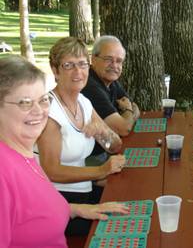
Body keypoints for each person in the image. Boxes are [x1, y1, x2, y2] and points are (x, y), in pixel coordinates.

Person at [0, 56, 128, 247]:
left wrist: (76, 209)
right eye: (25, 102)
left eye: (43, 100)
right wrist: (101, 171)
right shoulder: (4, 170)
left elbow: (33, 209)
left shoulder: (24, 156)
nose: (39, 111)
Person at [36, 37, 126, 236]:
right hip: (56, 202)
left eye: (82, 64)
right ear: (55, 70)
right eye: (69, 65)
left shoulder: (83, 102)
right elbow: (52, 171)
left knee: (130, 206)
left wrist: (103, 132)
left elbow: (115, 146)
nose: (78, 72)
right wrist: (101, 170)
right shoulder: (50, 110)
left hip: (82, 191)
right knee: (116, 229)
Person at [81, 35, 140, 157]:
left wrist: (128, 114)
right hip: (92, 158)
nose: (114, 65)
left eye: (119, 61)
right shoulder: (90, 86)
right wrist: (128, 110)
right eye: (108, 59)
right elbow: (124, 129)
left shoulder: (110, 80)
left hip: (111, 148)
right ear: (94, 59)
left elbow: (136, 107)